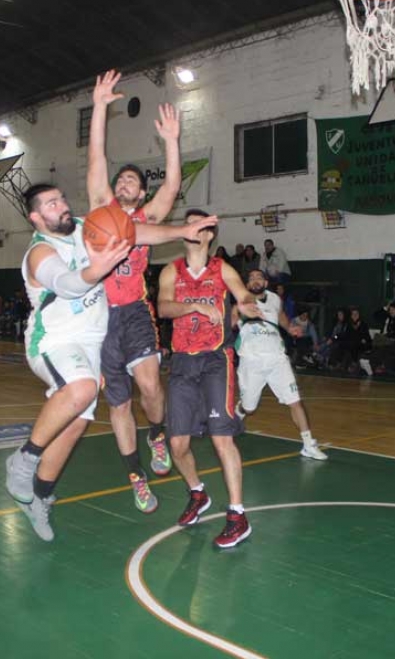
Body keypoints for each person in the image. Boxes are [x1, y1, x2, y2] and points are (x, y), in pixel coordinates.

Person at [4, 184, 219, 540]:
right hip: (55, 341)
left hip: (91, 342)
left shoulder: (83, 226)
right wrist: (97, 269)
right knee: (83, 388)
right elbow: (67, 283)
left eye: (61, 198)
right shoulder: (40, 253)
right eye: (51, 203)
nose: (61, 205)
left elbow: (134, 232)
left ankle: (38, 498)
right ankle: (23, 460)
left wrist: (181, 231)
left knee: (73, 425)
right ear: (36, 217)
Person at [87, 69, 182, 513]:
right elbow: (96, 160)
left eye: (131, 181)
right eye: (120, 179)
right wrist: (100, 109)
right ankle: (136, 475)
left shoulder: (143, 221)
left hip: (135, 312)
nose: (123, 181)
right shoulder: (100, 209)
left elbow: (173, 188)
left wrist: (172, 142)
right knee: (119, 404)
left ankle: (158, 434)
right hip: (100, 319)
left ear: (140, 193)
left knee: (150, 387)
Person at [157, 209, 261, 549]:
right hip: (183, 363)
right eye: (189, 224)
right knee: (177, 446)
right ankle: (197, 493)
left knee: (221, 440)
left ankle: (237, 514)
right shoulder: (171, 271)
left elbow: (242, 293)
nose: (192, 230)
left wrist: (246, 304)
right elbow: (164, 308)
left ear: (208, 235)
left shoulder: (222, 269)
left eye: (200, 226)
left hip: (217, 360)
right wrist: (197, 308)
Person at [234, 269, 327, 461]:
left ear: (266, 283)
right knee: (250, 408)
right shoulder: (241, 301)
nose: (255, 280)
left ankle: (308, 444)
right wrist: (235, 314)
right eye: (251, 278)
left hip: (277, 358)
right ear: (247, 285)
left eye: (259, 277)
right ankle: (239, 411)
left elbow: (281, 315)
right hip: (252, 361)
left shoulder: (275, 299)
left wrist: (289, 327)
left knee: (295, 400)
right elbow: (230, 322)